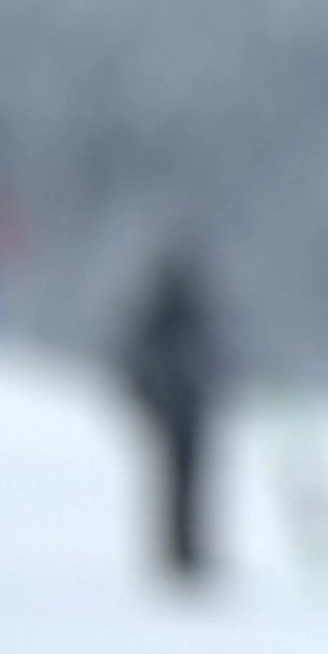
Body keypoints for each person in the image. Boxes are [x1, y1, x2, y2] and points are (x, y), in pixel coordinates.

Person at [116, 240, 225, 584]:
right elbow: (139, 362)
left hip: (189, 411)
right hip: (176, 411)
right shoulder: (168, 311)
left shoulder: (186, 308)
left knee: (188, 485)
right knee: (179, 486)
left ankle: (186, 550)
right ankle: (178, 552)